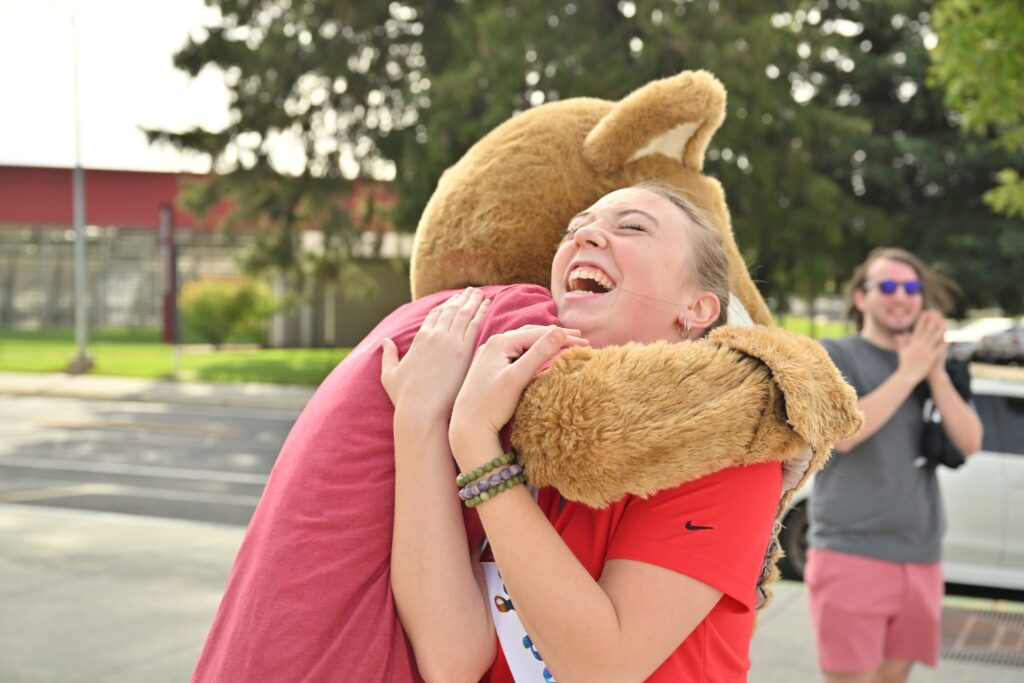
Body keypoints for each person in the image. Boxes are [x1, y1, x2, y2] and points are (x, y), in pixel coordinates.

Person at [381, 183, 782, 682]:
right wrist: (419, 419)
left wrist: (475, 442)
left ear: (697, 308)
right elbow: (451, 660)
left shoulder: (731, 444)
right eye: (575, 229)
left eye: (632, 226)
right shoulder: (527, 423)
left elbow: (602, 669)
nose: (586, 235)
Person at [808, 247, 983, 683]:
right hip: (850, 552)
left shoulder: (932, 366)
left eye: (911, 288)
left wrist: (935, 373)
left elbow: (970, 442)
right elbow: (842, 436)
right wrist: (907, 373)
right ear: (861, 298)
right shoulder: (835, 354)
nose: (901, 296)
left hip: (922, 555)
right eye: (887, 286)